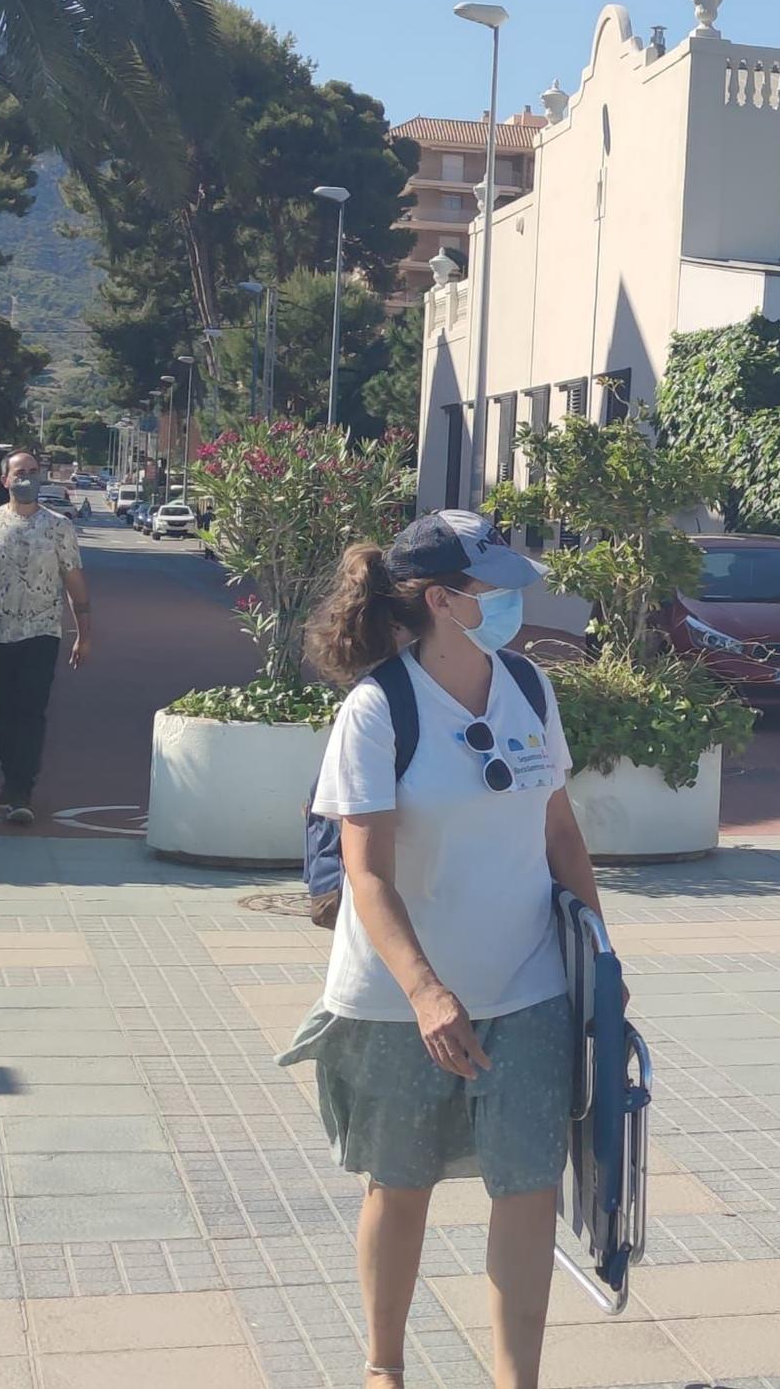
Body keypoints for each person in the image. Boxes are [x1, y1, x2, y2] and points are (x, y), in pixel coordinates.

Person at [278, 509, 608, 1389]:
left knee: (528, 1184)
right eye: (490, 586)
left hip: (526, 981)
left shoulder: (531, 688)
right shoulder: (378, 709)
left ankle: (516, 1380)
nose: (509, 599)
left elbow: (562, 835)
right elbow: (367, 875)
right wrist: (426, 991)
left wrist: (599, 962)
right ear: (440, 599)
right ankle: (384, 1368)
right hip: (397, 995)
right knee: (401, 1181)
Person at [0, 450, 90, 825]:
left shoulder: (58, 526)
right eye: (20, 473)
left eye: (33, 472)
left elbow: (74, 580)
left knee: (30, 711)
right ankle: (9, 779)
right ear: (5, 480)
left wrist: (84, 633)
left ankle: (22, 789)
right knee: (3, 711)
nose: (27, 478)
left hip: (41, 633)